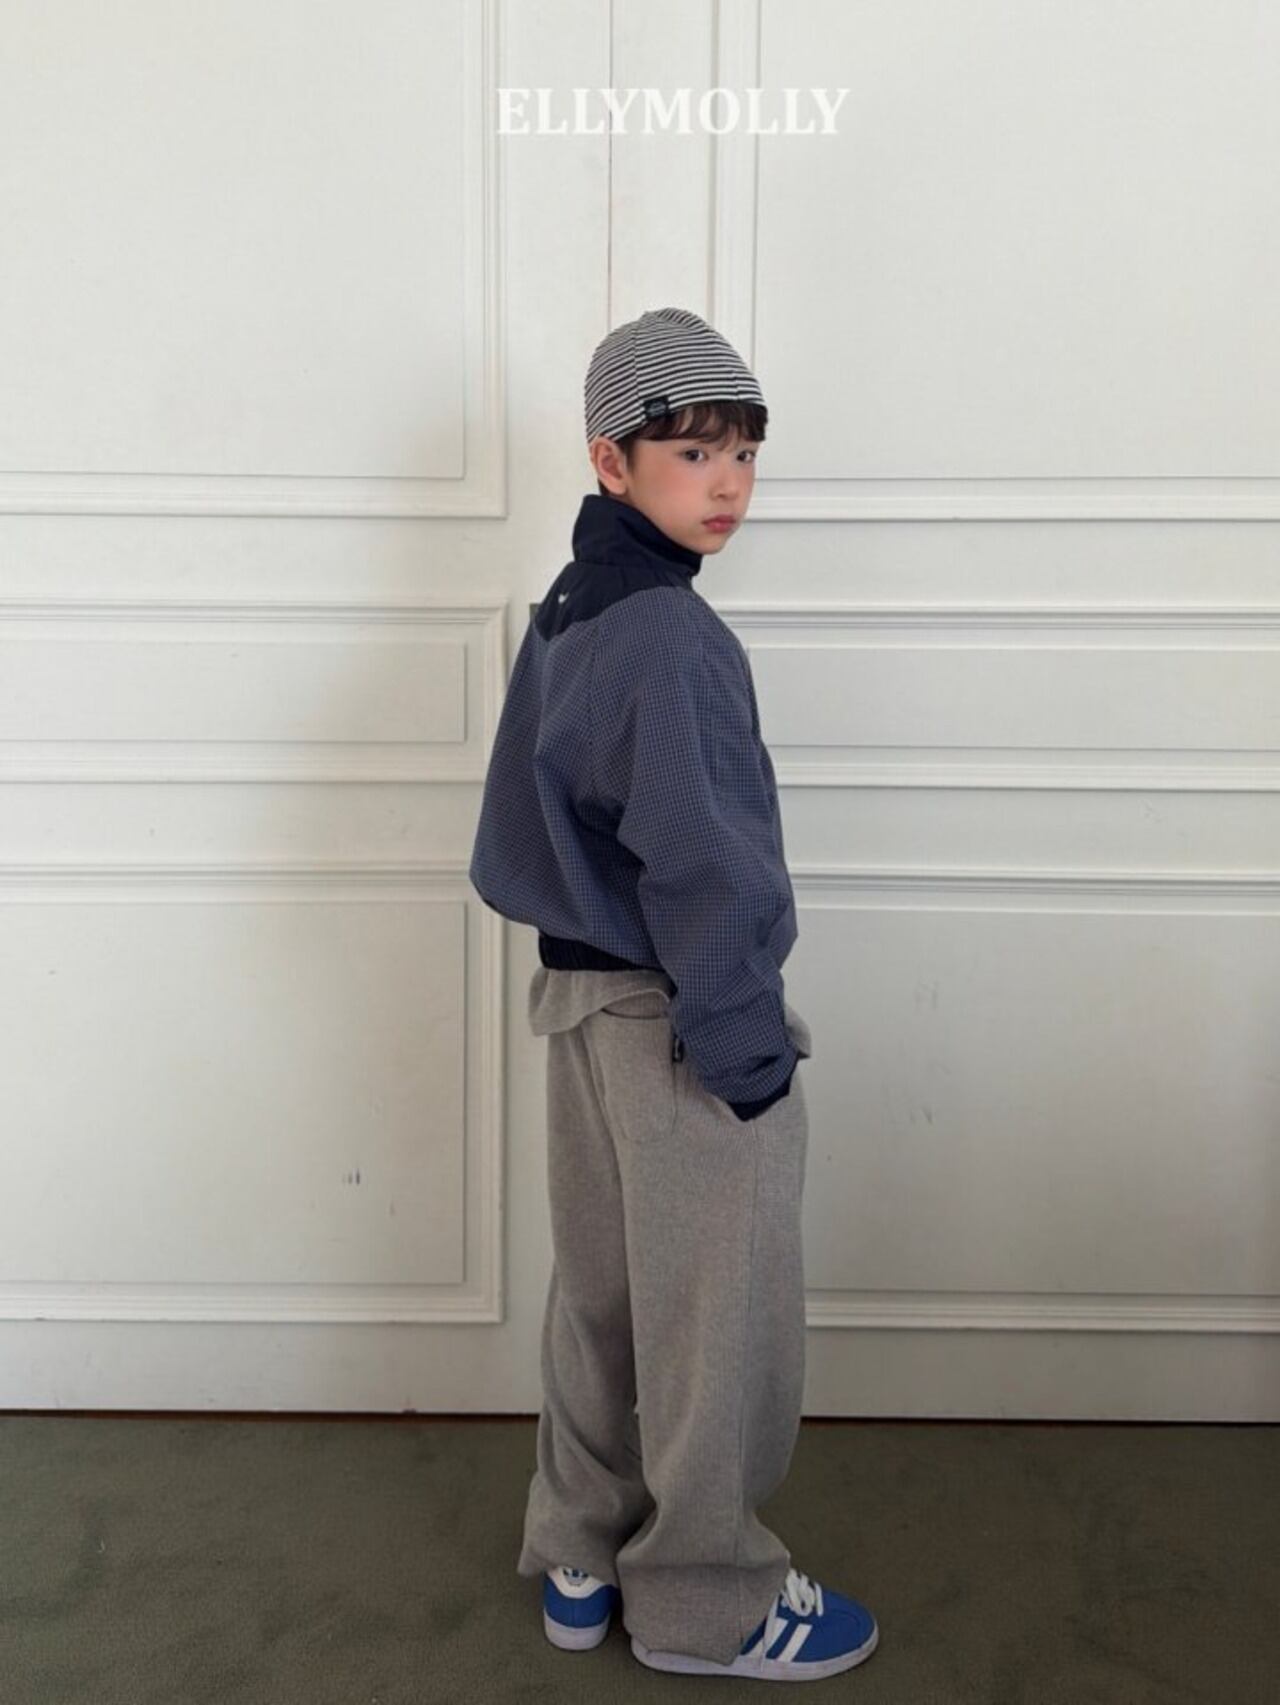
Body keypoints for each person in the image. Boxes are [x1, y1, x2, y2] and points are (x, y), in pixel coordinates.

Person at [469, 306, 879, 1681]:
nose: (727, 485)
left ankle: (581, 1552)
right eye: (693, 452)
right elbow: (705, 866)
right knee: (718, 1319)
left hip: (578, 1014)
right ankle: (707, 1602)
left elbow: (516, 828)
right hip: (677, 1021)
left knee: (600, 1298)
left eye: (744, 453)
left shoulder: (570, 607)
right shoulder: (674, 638)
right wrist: (745, 1051)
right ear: (611, 458)